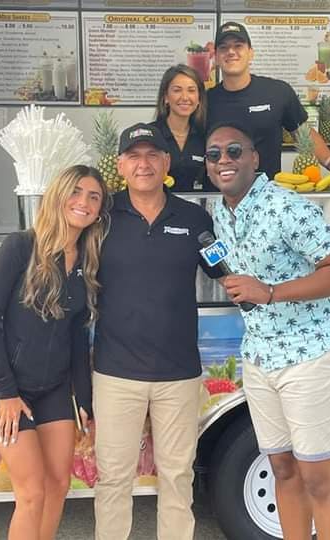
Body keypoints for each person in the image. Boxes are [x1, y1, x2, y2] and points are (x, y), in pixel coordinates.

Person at [205, 122, 330, 540]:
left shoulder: (286, 206)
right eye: (214, 154)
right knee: (282, 468)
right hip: (260, 356)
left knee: (319, 477)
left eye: (234, 151)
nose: (224, 160)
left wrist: (270, 292)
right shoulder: (221, 213)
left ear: (254, 158)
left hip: (310, 353)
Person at [92, 123, 222, 540]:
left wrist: (272, 289)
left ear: (167, 163)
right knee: (112, 478)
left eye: (152, 155)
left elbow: (226, 269)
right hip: (115, 373)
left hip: (178, 374)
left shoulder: (194, 217)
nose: (143, 163)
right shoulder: (101, 216)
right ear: (120, 165)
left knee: (177, 476)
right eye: (134, 155)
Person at [0, 165, 111, 540]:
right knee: (32, 493)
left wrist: (84, 401)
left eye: (94, 196)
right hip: (9, 391)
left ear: (100, 209)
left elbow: (78, 337)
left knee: (58, 487)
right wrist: (6, 393)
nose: (83, 202)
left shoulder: (86, 260)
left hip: (54, 390)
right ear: (58, 196)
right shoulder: (21, 246)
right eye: (76, 192)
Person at [207, 21, 330, 179]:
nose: (231, 52)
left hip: (269, 196)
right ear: (216, 57)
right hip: (219, 196)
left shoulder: (278, 92)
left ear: (251, 53)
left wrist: (329, 160)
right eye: (223, 47)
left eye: (238, 46)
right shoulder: (205, 100)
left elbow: (303, 132)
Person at [150, 64, 214, 192]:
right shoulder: (150, 136)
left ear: (199, 99)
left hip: (196, 209)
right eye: (177, 90)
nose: (185, 97)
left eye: (191, 90)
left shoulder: (208, 137)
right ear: (166, 97)